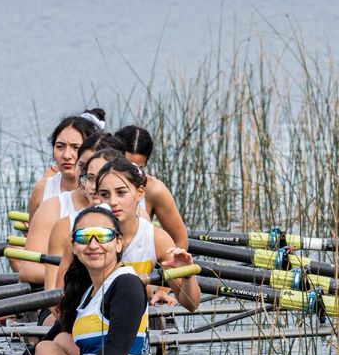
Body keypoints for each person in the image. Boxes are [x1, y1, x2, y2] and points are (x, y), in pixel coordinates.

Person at [28, 206, 156, 355]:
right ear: (74, 247)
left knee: (55, 345)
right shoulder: (87, 289)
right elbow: (62, 325)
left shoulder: (127, 283)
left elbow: (117, 350)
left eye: (103, 236)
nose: (93, 245)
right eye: (84, 237)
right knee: (47, 346)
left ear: (119, 243)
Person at [51, 156, 200, 310]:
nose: (113, 202)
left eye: (121, 193)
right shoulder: (82, 236)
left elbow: (191, 304)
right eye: (105, 194)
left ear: (140, 193)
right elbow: (59, 303)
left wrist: (187, 274)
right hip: (88, 317)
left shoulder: (157, 239)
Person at [15, 131, 123, 285]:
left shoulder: (128, 213)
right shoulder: (55, 211)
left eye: (100, 174)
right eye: (83, 167)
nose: (90, 180)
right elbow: (28, 270)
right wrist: (89, 274)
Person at [23, 110, 106, 222]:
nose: (67, 155)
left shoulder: (104, 192)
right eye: (60, 146)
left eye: (75, 147)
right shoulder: (41, 189)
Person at [114, 125, 189, 249]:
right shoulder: (95, 184)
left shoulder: (154, 190)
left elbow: (180, 242)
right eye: (124, 165)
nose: (129, 174)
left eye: (137, 168)